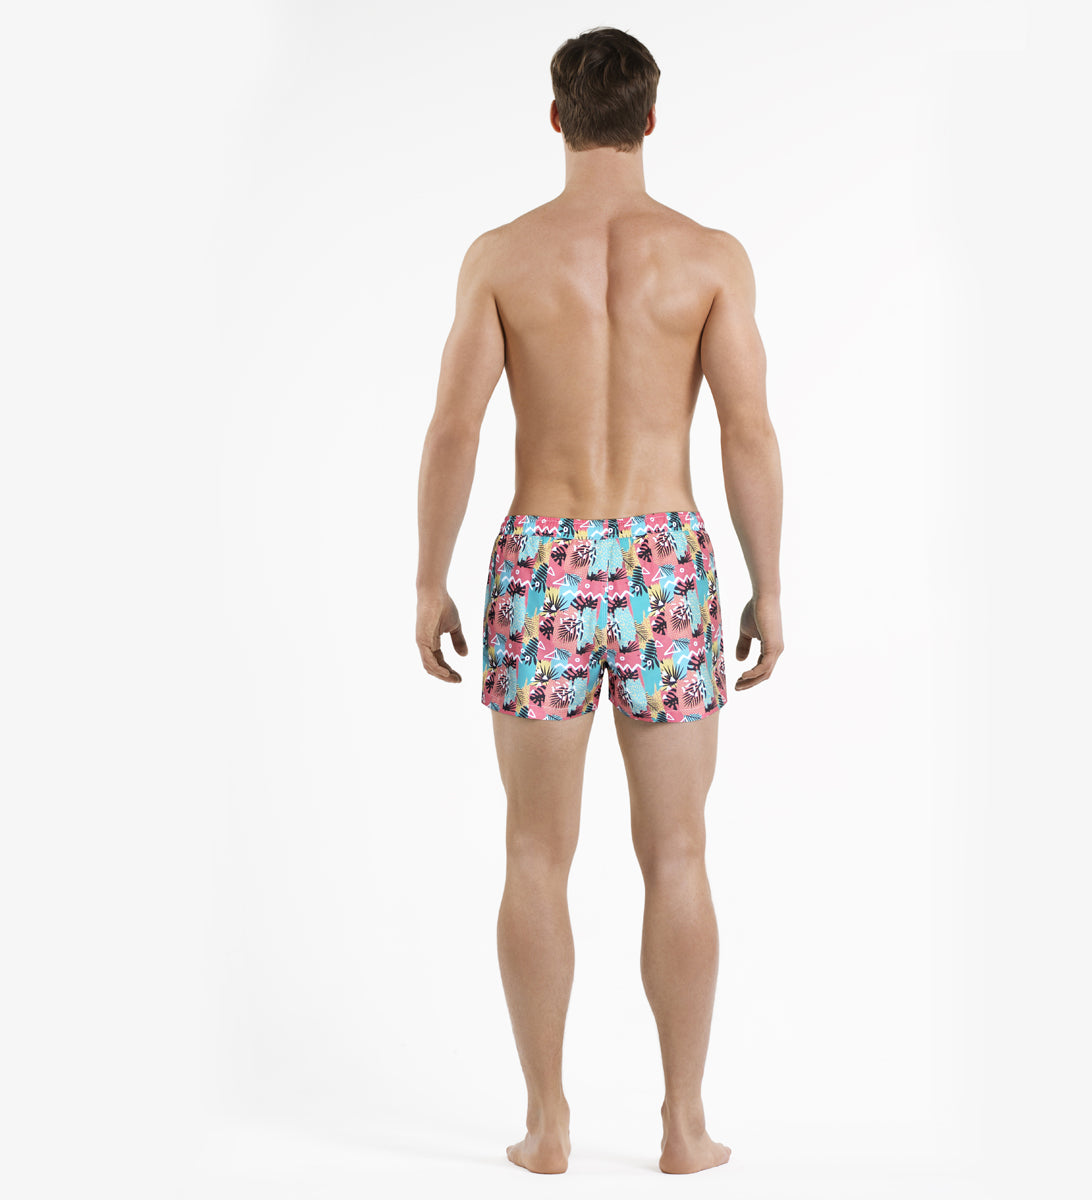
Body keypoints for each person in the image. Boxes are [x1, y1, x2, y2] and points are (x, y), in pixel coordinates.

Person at [415, 26, 784, 1175]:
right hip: (666, 560)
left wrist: (428, 577)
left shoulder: (503, 258)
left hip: (543, 564)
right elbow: (748, 432)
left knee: (535, 851)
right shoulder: (710, 258)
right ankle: (684, 1126)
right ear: (652, 119)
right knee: (678, 852)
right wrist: (769, 586)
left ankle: (547, 1125)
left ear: (557, 118)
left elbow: (455, 428)